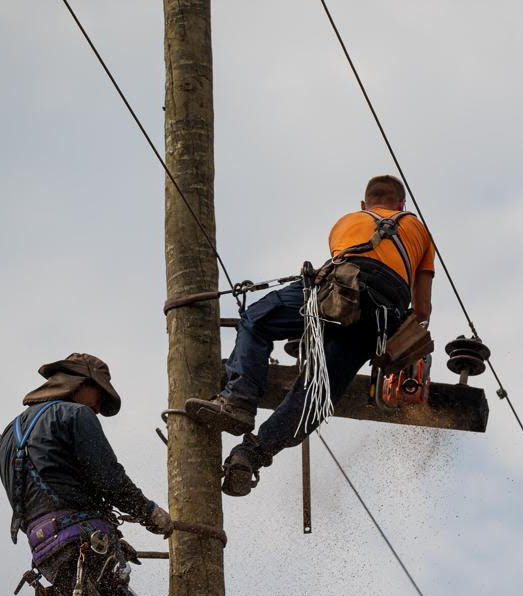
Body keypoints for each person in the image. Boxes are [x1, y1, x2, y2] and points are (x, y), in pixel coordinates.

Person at [185, 174, 435, 497]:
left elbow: (344, 272)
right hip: (379, 318)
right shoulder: (419, 230)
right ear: (402, 205)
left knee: (256, 320)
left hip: (338, 290)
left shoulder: (347, 222)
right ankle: (251, 454)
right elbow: (424, 309)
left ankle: (238, 401)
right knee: (315, 394)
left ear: (364, 204)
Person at [0, 353, 172, 596]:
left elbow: (47, 491)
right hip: (80, 540)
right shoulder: (76, 414)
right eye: (100, 394)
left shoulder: (8, 435)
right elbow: (110, 480)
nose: (99, 407)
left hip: (46, 552)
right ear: (80, 382)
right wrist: (148, 512)